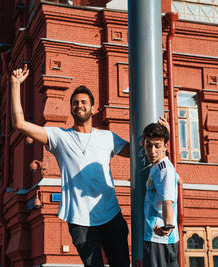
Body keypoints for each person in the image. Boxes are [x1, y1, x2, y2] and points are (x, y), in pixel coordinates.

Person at [11, 65, 132, 267]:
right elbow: (20, 124)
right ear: (71, 108)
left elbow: (140, 151)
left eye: (84, 102)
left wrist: (161, 135)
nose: (79, 105)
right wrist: (15, 85)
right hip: (81, 222)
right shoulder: (60, 137)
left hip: (111, 215)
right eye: (75, 103)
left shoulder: (107, 137)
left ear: (93, 108)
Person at [142, 123, 180, 267]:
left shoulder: (163, 170)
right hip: (161, 239)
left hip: (159, 238)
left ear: (165, 146)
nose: (152, 151)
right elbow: (179, 181)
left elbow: (167, 202)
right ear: (143, 144)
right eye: (148, 146)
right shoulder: (160, 167)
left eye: (157, 146)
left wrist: (167, 225)